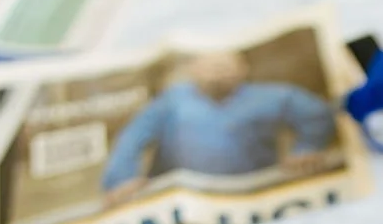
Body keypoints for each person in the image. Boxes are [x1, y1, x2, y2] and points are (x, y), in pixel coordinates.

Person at [101, 50, 337, 203]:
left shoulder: (271, 97)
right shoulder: (172, 101)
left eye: (226, 65)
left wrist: (307, 147)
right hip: (183, 198)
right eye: (210, 65)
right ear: (193, 70)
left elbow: (316, 114)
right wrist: (122, 179)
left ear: (243, 69)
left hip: (255, 192)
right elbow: (133, 137)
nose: (218, 71)